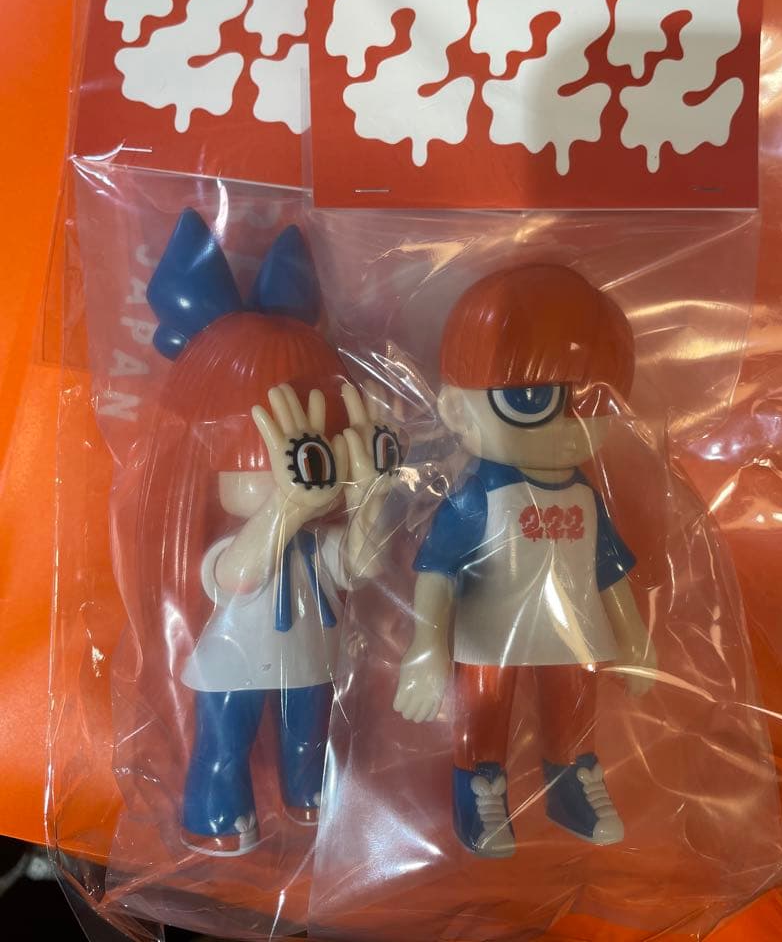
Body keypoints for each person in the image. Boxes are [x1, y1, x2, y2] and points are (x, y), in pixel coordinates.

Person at [141, 210, 400, 856]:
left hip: (311, 655)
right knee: (225, 741)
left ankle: (307, 795)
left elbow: (361, 565)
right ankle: (216, 813)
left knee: (308, 737)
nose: (300, 482)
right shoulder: (240, 535)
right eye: (254, 467)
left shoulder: (315, 542)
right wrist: (283, 505)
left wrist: (370, 499)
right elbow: (237, 575)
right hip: (235, 655)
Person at [394, 264, 656, 858]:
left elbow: (608, 572)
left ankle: (572, 782)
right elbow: (436, 571)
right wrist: (426, 646)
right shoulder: (478, 496)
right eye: (533, 399)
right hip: (490, 633)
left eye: (588, 401)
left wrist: (635, 639)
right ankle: (479, 787)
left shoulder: (585, 496)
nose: (567, 423)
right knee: (482, 713)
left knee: (574, 709)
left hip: (574, 633)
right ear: (455, 409)